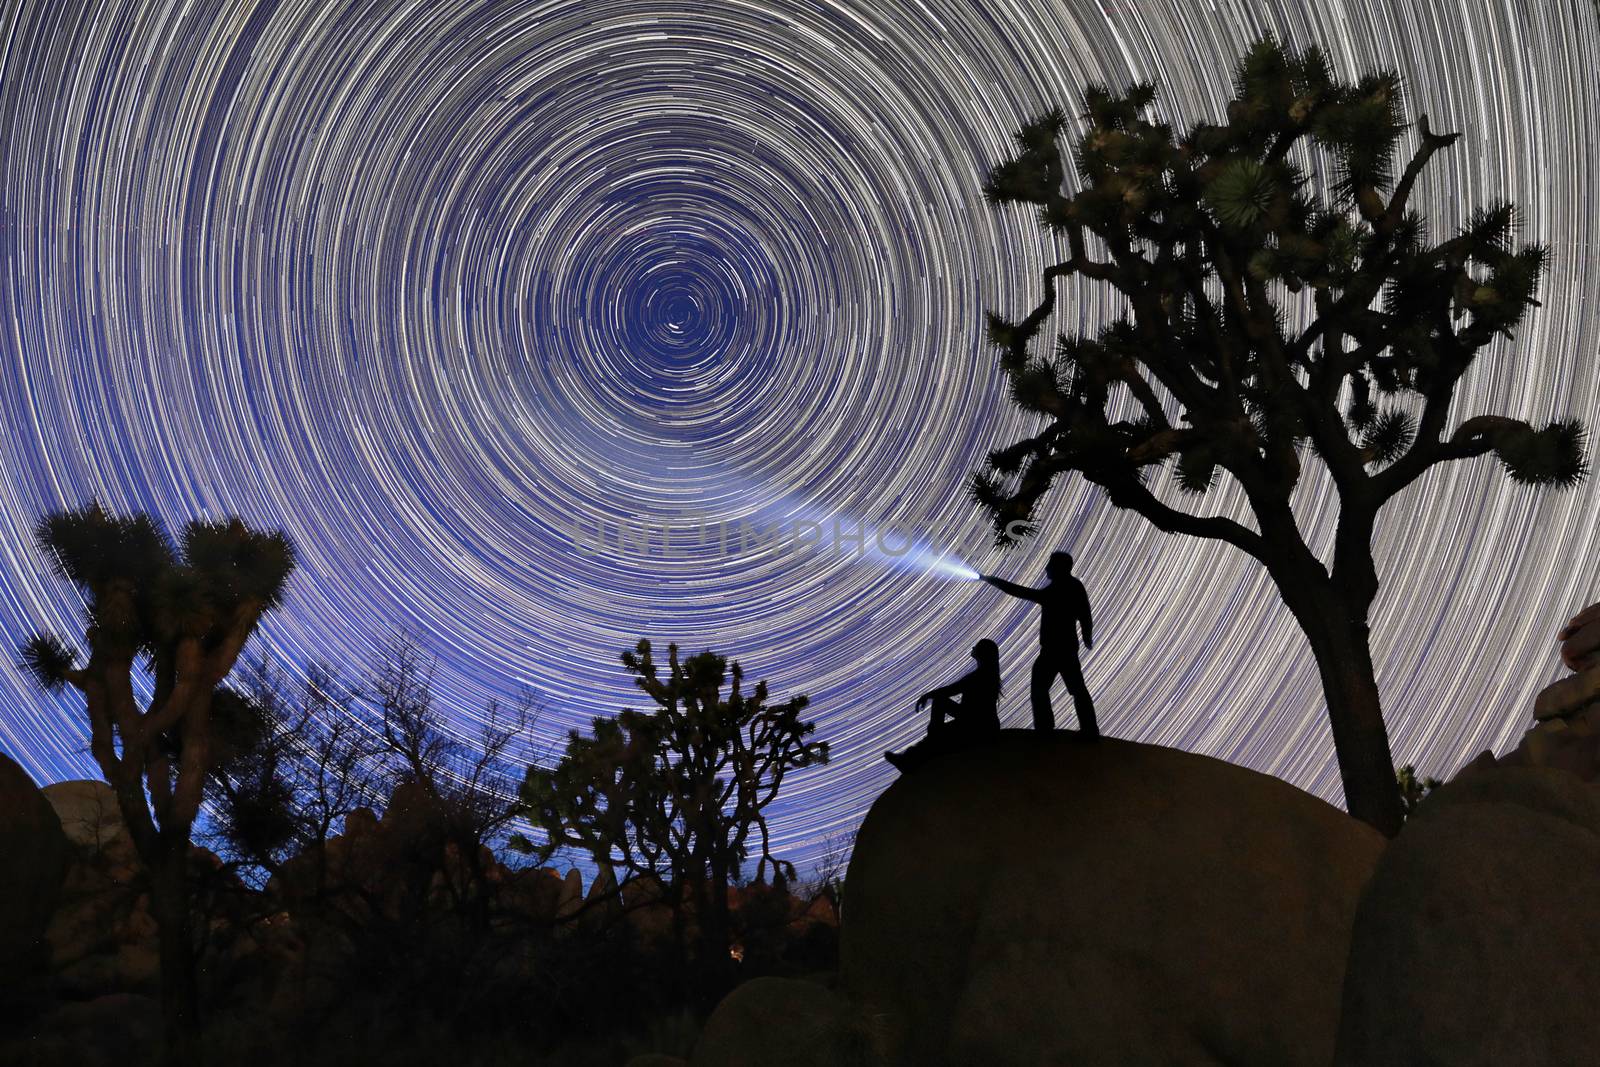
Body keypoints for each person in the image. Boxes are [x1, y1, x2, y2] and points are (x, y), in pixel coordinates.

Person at [981, 551, 1098, 737]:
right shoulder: (1074, 586)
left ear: (1058, 568)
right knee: (1075, 689)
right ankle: (1089, 729)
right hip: (1066, 649)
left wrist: (991, 580)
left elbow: (1021, 592)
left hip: (1054, 650)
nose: (1046, 568)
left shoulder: (1056, 591)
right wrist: (1086, 635)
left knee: (1041, 688)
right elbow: (1085, 613)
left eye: (1050, 565)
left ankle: (1045, 729)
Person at [884, 639, 1002, 770]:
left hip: (976, 727)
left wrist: (927, 696)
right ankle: (927, 743)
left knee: (939, 704)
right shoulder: (987, 675)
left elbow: (952, 690)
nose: (972, 648)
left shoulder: (979, 677)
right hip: (981, 725)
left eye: (976, 647)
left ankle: (915, 755)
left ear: (982, 653)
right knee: (939, 709)